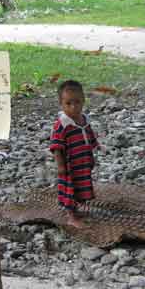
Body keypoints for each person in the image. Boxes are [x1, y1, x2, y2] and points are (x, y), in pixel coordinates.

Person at [49, 80, 99, 228]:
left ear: (83, 100)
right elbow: (56, 147)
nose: (73, 107)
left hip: (82, 163)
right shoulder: (62, 124)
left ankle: (76, 210)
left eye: (77, 102)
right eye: (68, 103)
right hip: (70, 165)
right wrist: (60, 166)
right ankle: (71, 216)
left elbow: (89, 138)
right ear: (61, 104)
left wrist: (92, 155)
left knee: (81, 187)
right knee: (70, 189)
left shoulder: (84, 120)